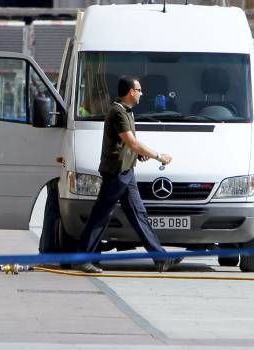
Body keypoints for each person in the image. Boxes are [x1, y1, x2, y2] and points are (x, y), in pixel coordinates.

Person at [72, 75, 176, 274]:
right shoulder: (118, 112)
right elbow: (132, 143)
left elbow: (128, 146)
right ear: (130, 92)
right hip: (116, 173)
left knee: (139, 215)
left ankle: (160, 258)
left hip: (127, 172)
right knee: (101, 215)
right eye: (139, 90)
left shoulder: (127, 112)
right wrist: (157, 156)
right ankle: (82, 259)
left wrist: (138, 156)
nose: (141, 93)